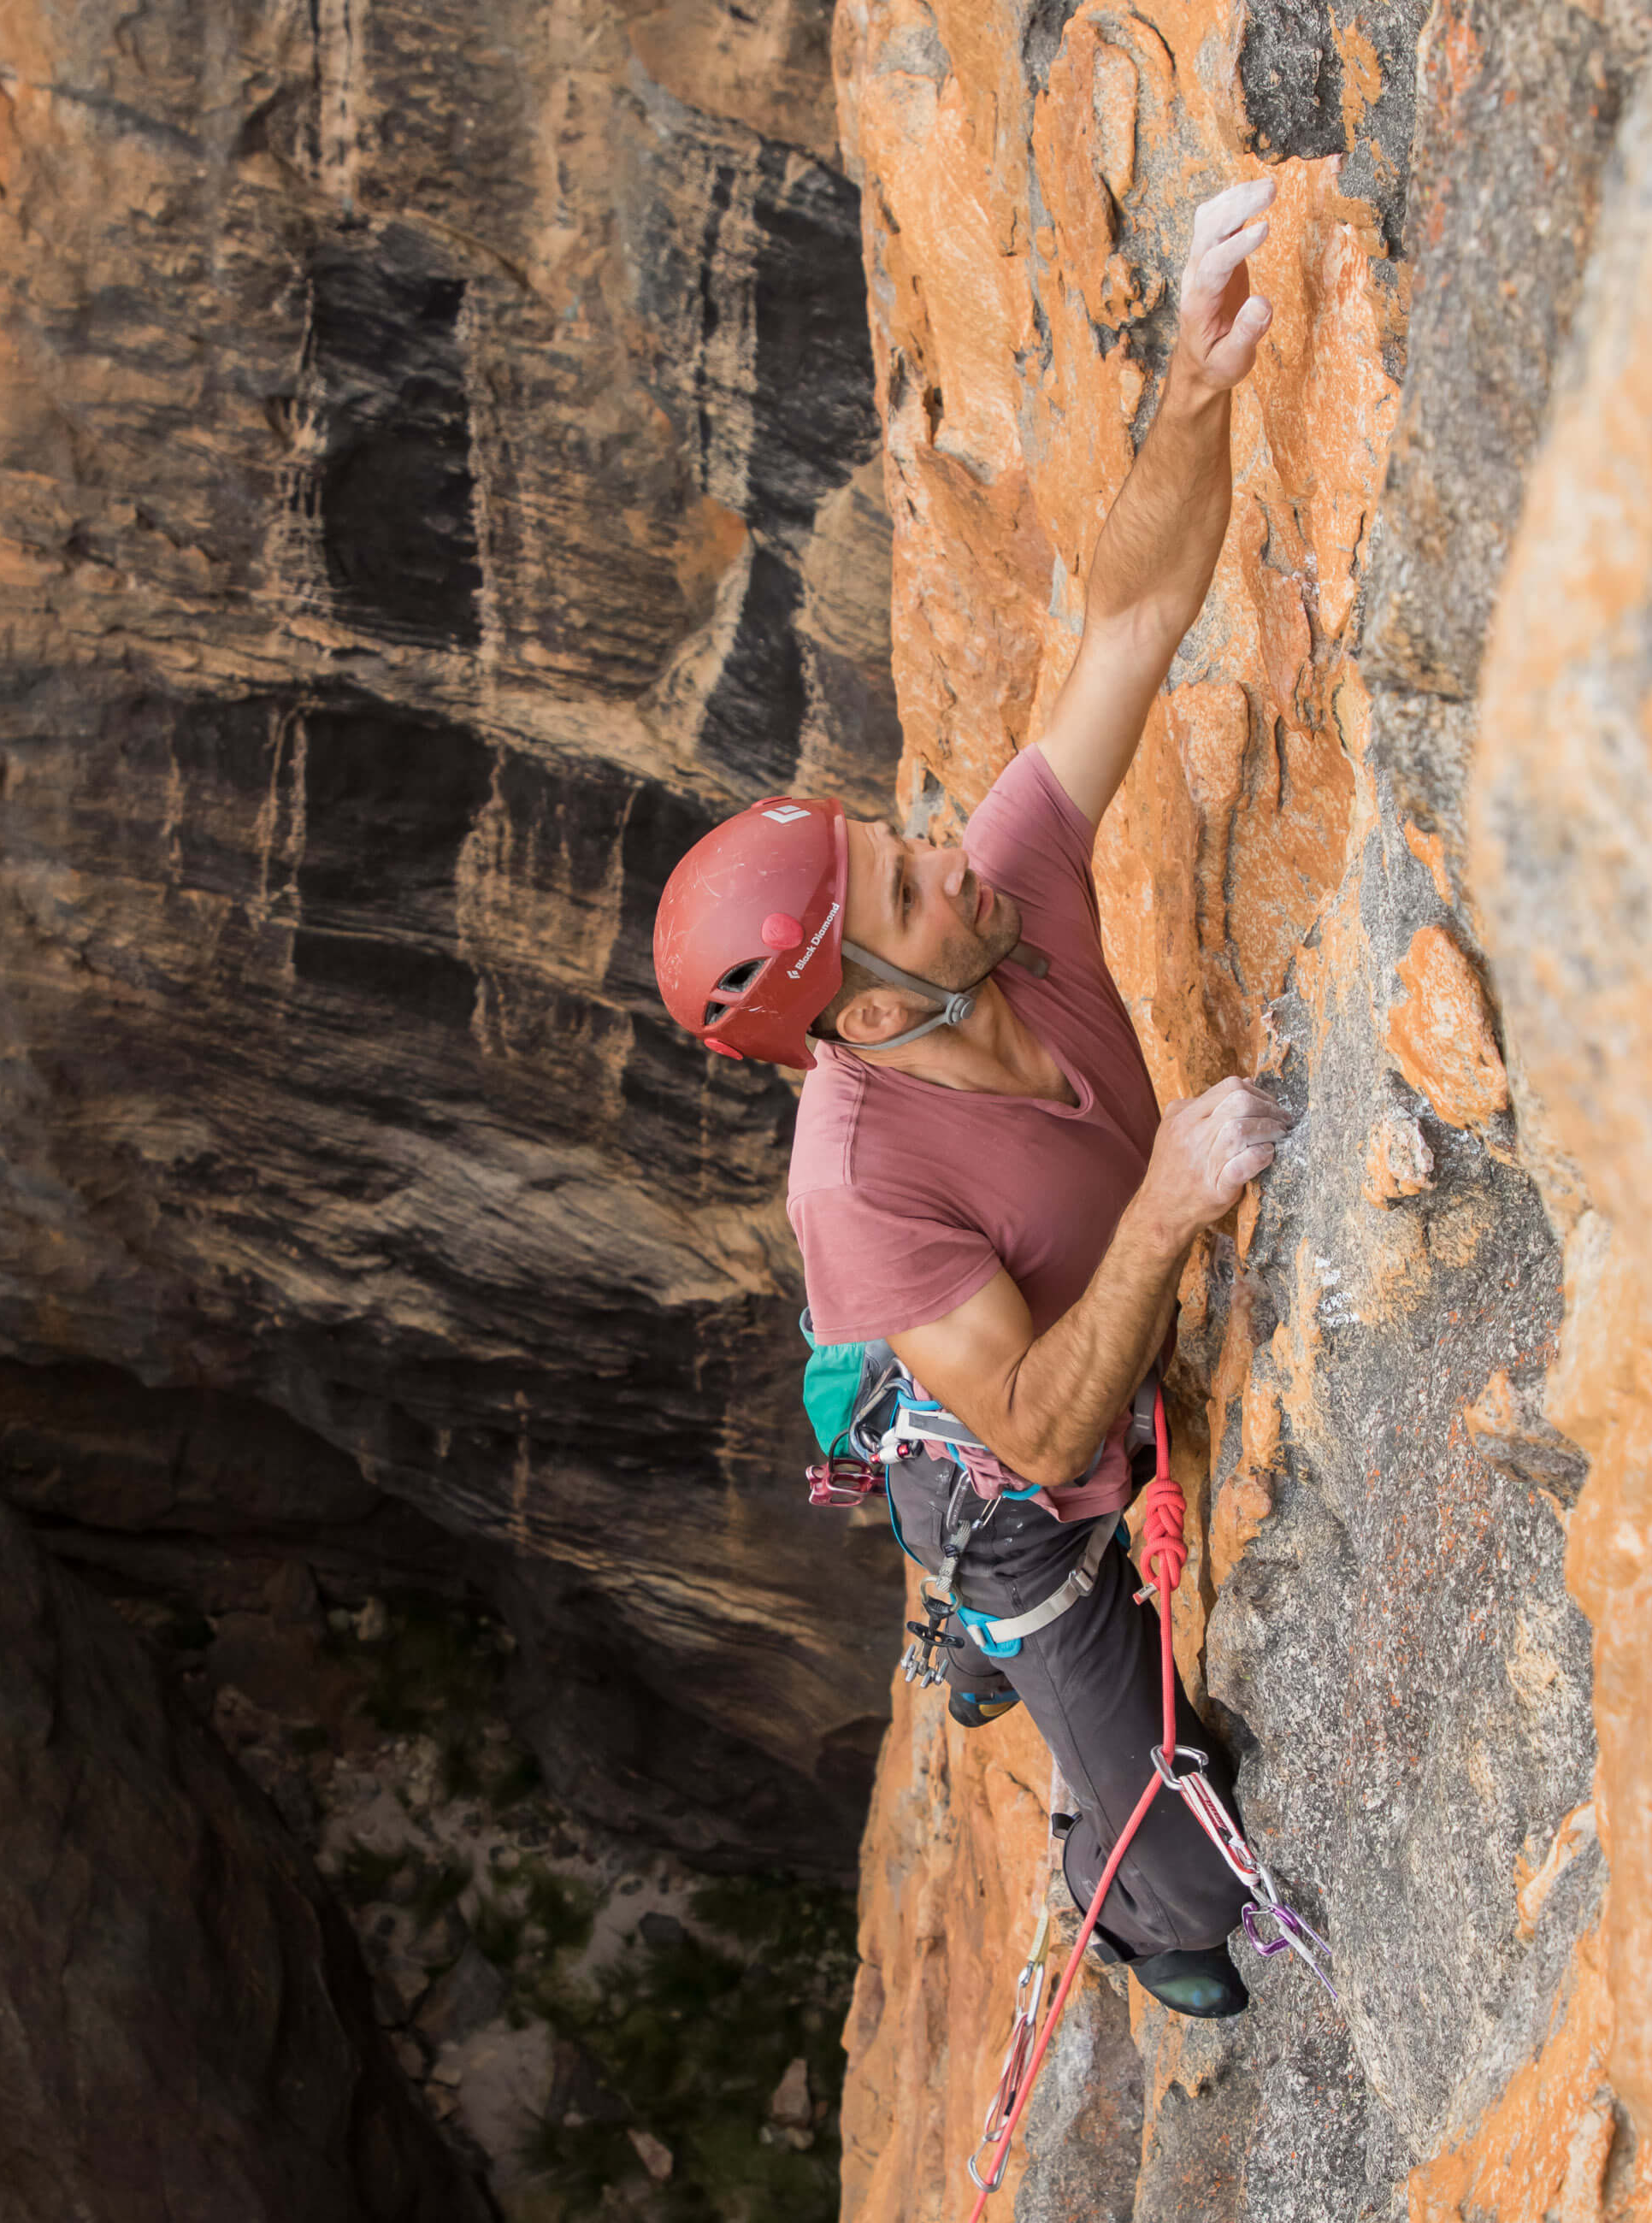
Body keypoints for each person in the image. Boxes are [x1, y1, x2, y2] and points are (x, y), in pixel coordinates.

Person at [652, 180, 1294, 2018]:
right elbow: (1023, 1426)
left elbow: (1127, 620)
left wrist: (1189, 388)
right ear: (854, 1015)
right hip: (1010, 1484)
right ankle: (1120, 1895)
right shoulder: (860, 1189)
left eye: (894, 833)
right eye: (900, 882)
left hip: (1047, 1333)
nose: (943, 848)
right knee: (1185, 1864)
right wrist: (1167, 1205)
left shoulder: (992, 901)